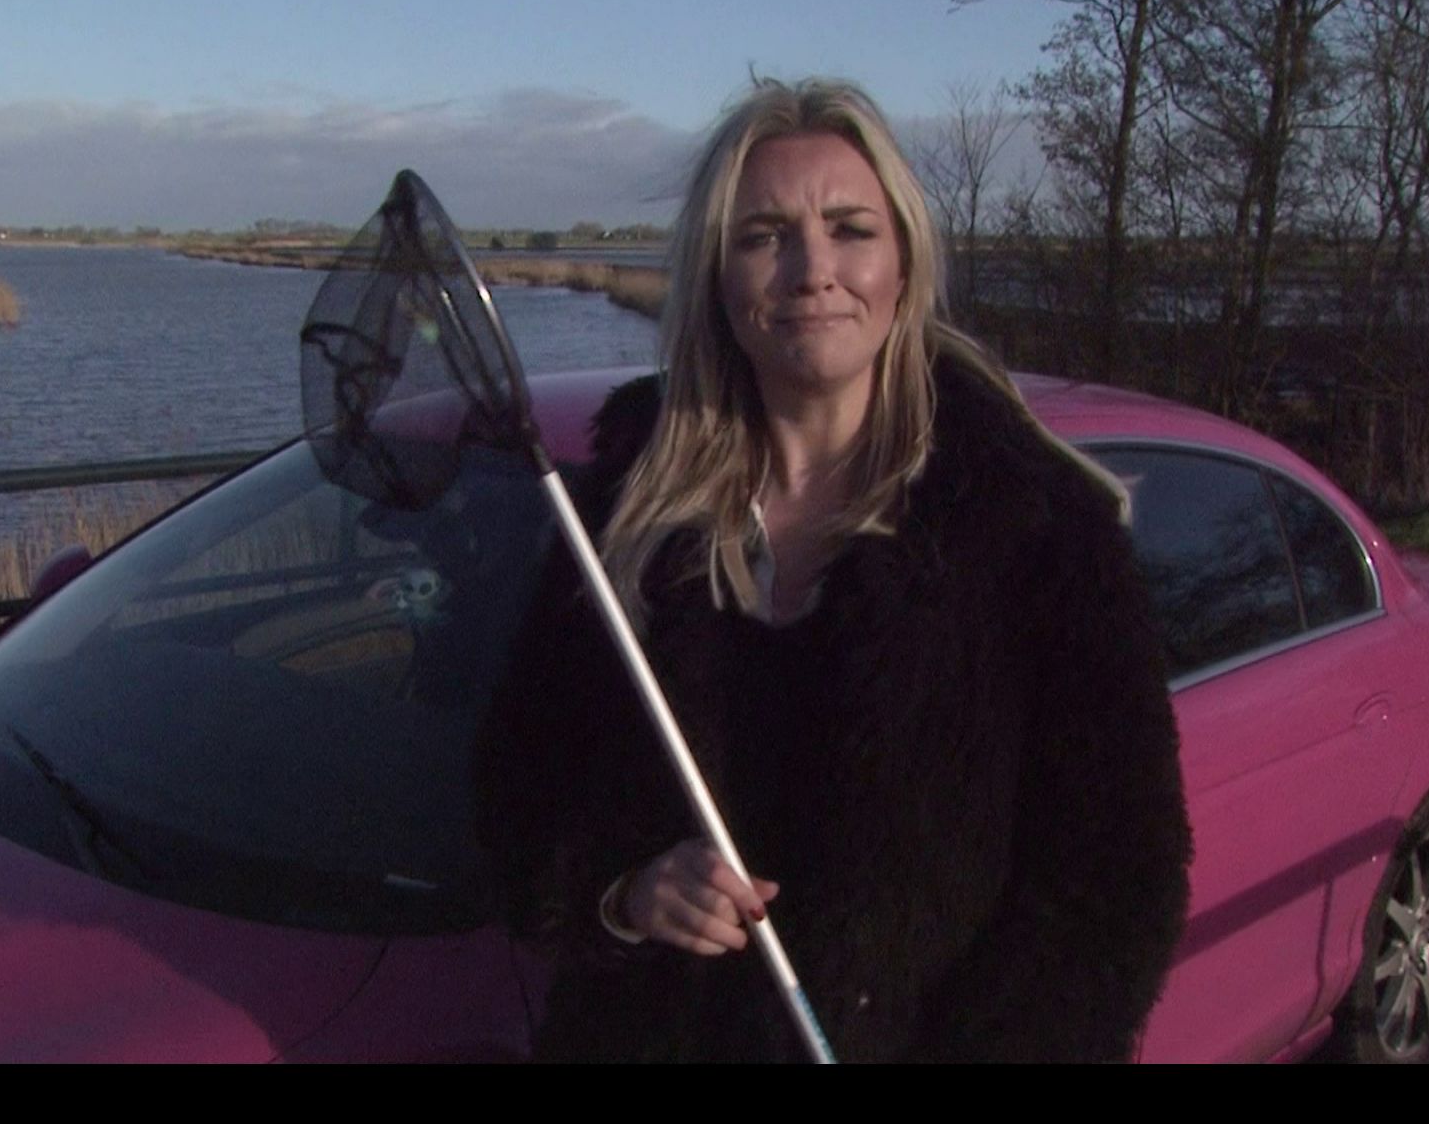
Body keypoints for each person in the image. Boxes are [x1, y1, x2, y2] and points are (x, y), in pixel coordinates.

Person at [476, 77, 1192, 1063]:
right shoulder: (623, 517)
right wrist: (625, 893)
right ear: (718, 277)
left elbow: (1113, 886)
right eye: (764, 235)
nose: (813, 270)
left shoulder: (1037, 530)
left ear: (904, 262)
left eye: (851, 229)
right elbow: (516, 788)